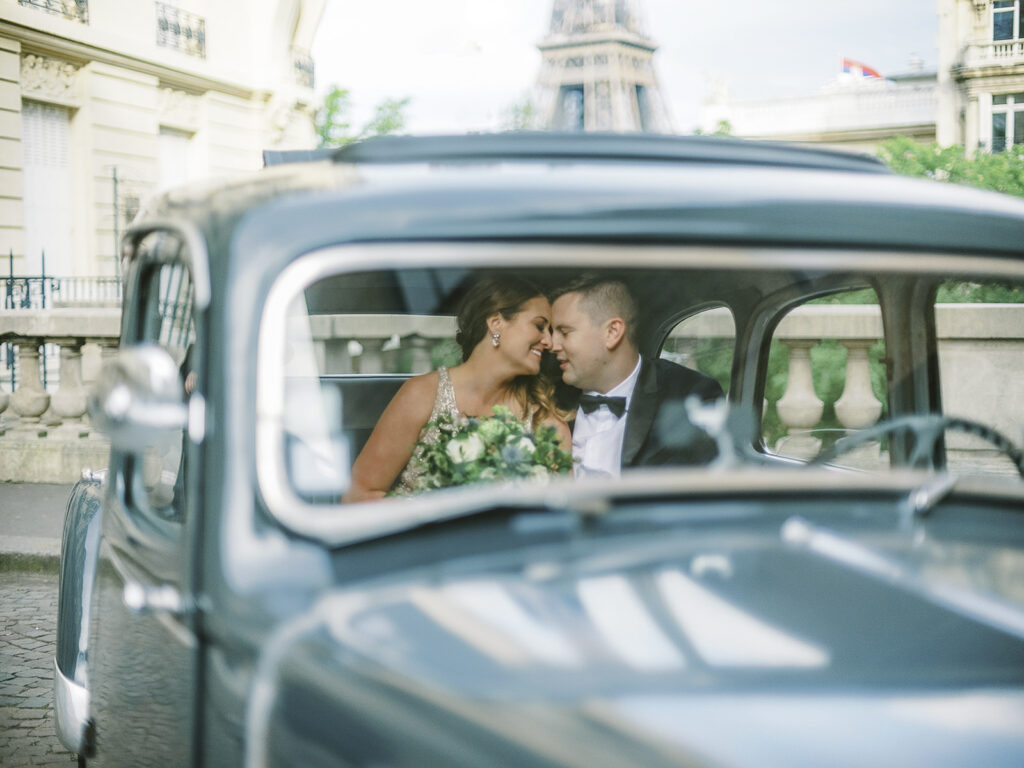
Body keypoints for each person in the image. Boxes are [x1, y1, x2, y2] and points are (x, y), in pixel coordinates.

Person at [343, 275, 572, 502]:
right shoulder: (422, 395)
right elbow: (360, 494)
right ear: (496, 322)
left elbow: (563, 516)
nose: (549, 342)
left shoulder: (547, 424)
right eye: (540, 326)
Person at [550, 274, 723, 477]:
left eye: (565, 332)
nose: (552, 345)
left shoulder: (689, 396)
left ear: (612, 332)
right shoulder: (548, 400)